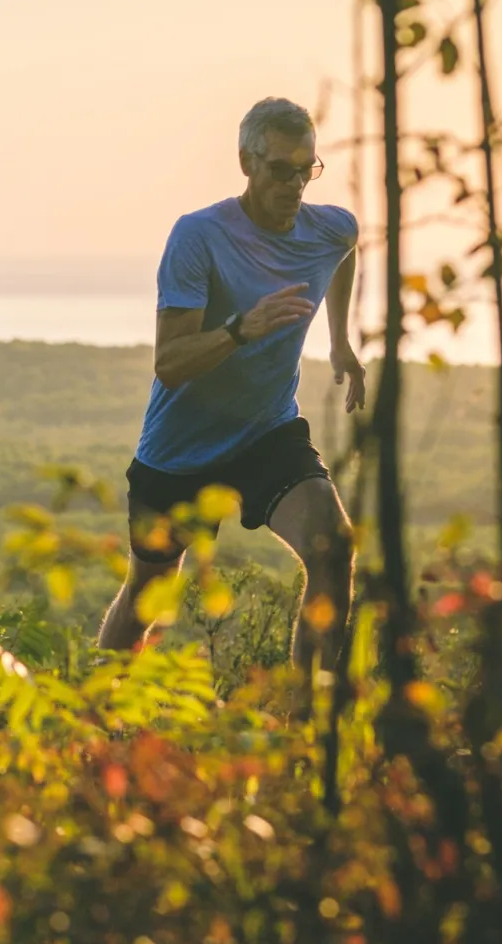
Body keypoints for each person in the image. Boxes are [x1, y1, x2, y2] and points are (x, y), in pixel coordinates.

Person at [96, 97, 367, 686]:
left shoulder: (331, 228)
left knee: (333, 547)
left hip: (266, 432)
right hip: (180, 449)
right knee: (149, 591)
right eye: (280, 169)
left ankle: (308, 736)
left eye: (307, 169)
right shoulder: (200, 236)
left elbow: (344, 252)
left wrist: (340, 339)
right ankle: (95, 725)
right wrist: (243, 329)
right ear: (246, 161)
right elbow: (170, 363)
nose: (295, 184)